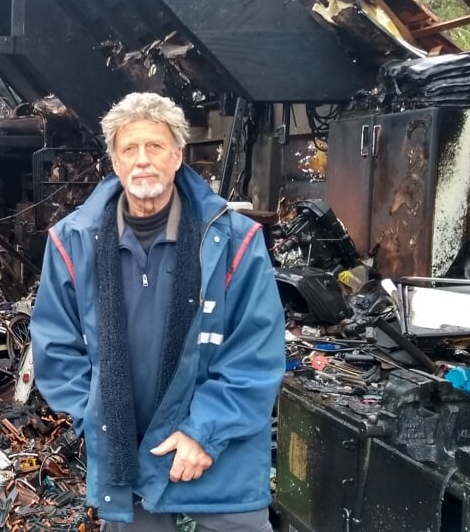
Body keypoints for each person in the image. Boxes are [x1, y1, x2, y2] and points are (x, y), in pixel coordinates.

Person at [30, 92, 285, 531]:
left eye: (155, 146)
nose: (142, 160)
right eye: (130, 148)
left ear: (178, 156)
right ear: (114, 159)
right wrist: (101, 418)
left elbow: (256, 353)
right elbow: (55, 346)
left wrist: (204, 433)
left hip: (221, 455)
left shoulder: (234, 241)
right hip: (130, 457)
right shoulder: (72, 241)